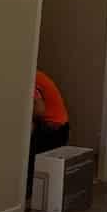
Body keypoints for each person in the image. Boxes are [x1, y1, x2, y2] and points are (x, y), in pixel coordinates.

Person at [27, 70, 70, 205]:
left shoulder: (29, 78)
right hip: (61, 127)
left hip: (54, 130)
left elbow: (39, 110)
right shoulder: (36, 74)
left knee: (26, 152)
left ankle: (27, 195)